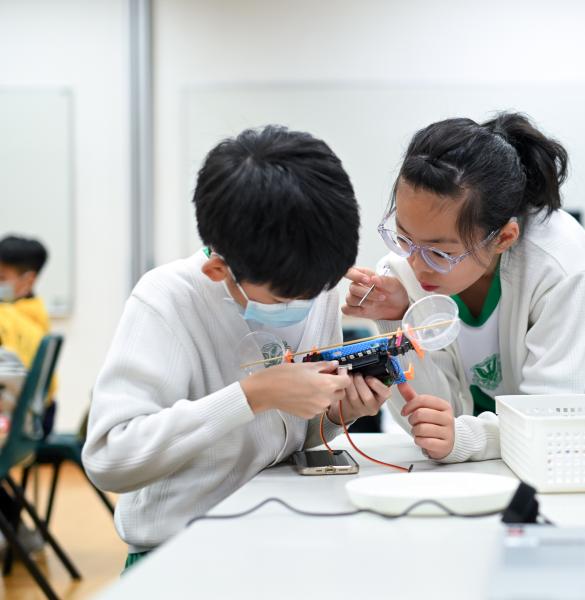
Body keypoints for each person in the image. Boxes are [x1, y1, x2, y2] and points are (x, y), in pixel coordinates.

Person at [83, 126, 391, 567]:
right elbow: (109, 459)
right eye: (285, 299)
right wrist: (253, 395)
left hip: (277, 534)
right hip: (176, 553)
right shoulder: (167, 300)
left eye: (317, 290)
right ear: (218, 270)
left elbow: (296, 436)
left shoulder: (309, 282)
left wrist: (343, 411)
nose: (305, 305)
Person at [342, 112, 585, 463]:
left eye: (441, 252)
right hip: (497, 443)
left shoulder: (558, 262)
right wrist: (397, 322)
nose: (416, 263)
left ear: (504, 237)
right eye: (403, 236)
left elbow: (556, 418)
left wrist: (470, 438)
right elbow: (432, 422)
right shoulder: (401, 272)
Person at [0, 236, 57, 435]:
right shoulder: (38, 313)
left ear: (28, 281)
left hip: (16, 423)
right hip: (41, 416)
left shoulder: (7, 317)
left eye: (2, 279)